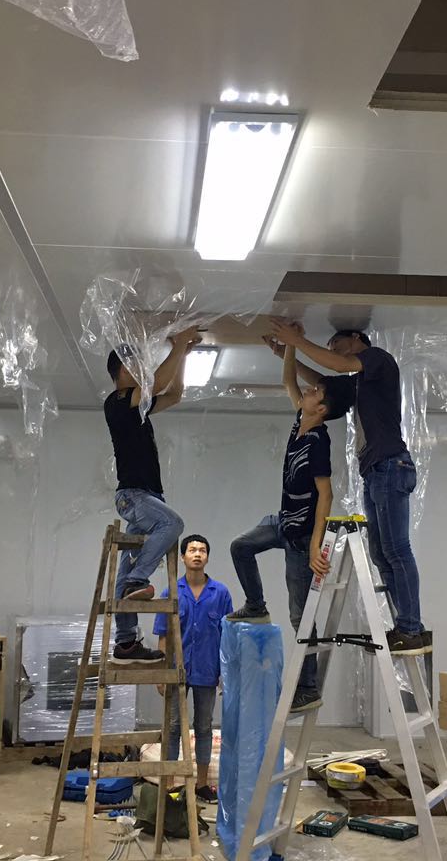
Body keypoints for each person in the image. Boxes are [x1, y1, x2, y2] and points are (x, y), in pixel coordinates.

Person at [269, 318, 431, 657]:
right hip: (376, 471)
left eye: (336, 345)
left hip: (390, 465)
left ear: (357, 338)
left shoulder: (378, 359)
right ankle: (405, 626)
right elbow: (324, 382)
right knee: (381, 553)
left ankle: (411, 628)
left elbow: (338, 367)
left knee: (396, 549)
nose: (334, 352)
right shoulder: (359, 382)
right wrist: (289, 353)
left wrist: (297, 341)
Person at [227, 337, 351, 713]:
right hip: (282, 522)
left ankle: (308, 687)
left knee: (300, 616)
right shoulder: (301, 418)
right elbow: (288, 382)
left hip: (300, 538)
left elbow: (326, 495)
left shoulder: (318, 441)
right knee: (240, 546)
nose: (309, 391)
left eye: (317, 392)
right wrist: (288, 348)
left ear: (322, 409)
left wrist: (315, 546)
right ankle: (255, 604)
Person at [104, 328, 201, 663]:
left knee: (128, 562)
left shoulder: (138, 408)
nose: (142, 370)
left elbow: (174, 394)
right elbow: (156, 385)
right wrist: (178, 345)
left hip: (146, 497)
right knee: (172, 524)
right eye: (135, 365)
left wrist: (183, 354)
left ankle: (125, 643)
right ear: (121, 370)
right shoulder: (117, 401)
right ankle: (137, 581)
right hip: (134, 496)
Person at [153, 534, 232, 804]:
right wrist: (162, 673)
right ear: (183, 557)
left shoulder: (220, 593)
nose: (197, 554)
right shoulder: (171, 593)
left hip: (208, 670)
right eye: (192, 550)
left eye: (202, 550)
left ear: (207, 557)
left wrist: (226, 672)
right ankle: (170, 785)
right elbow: (163, 636)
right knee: (174, 726)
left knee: (204, 727)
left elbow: (228, 635)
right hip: (177, 671)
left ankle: (201, 784)